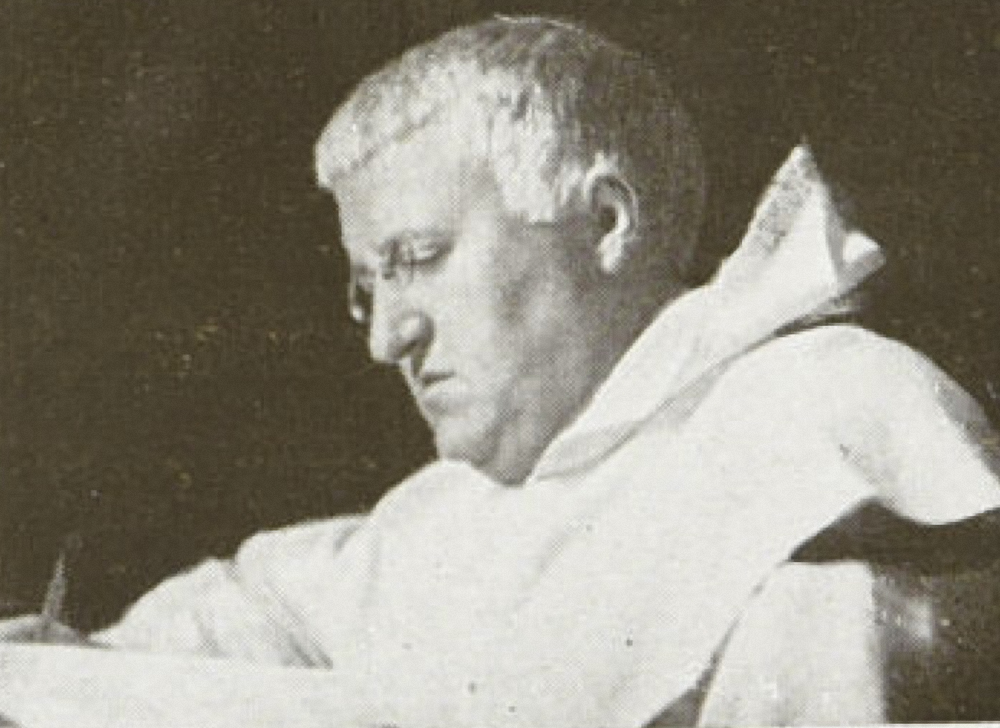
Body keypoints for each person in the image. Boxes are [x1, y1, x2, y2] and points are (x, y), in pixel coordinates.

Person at [3, 14, 1000, 727]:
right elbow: (266, 601)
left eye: (417, 258)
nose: (386, 337)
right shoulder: (451, 510)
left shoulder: (823, 416)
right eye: (366, 288)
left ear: (604, 222)